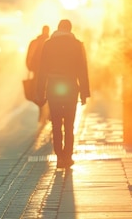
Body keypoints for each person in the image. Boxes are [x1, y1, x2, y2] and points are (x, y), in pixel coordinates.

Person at [36, 19, 90, 168]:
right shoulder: (77, 44)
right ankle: (68, 155)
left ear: (58, 28)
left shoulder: (48, 44)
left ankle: (59, 156)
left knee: (56, 122)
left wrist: (40, 92)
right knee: (69, 123)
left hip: (53, 87)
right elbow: (82, 69)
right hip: (71, 86)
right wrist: (84, 93)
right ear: (70, 29)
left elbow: (42, 70)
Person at [26, 25, 50, 122]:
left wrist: (31, 68)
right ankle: (48, 113)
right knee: (48, 90)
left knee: (39, 91)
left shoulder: (35, 42)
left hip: (37, 71)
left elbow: (29, 57)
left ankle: (42, 114)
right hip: (48, 71)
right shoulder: (50, 42)